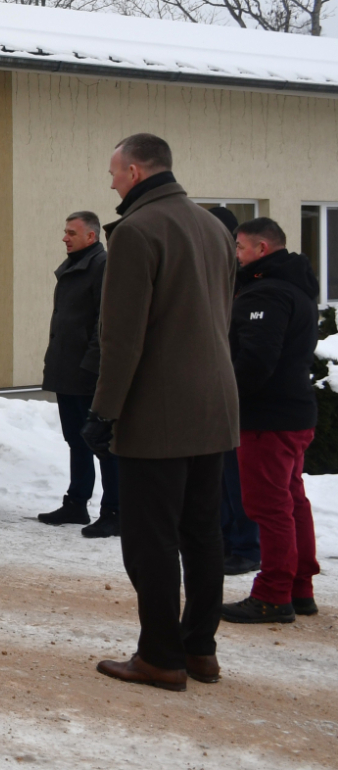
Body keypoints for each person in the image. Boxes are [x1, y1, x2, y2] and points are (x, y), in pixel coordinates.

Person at [89, 133, 237, 692]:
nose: (110, 183)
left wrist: (104, 410)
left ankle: (159, 655)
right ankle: (200, 649)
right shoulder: (214, 227)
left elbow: (121, 337)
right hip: (214, 402)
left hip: (157, 409)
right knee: (202, 533)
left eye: (113, 172)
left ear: (133, 170)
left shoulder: (136, 231)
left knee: (151, 538)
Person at [221, 217, 323, 624]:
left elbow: (256, 360)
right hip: (293, 413)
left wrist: (226, 395)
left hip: (267, 418)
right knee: (291, 501)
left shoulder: (266, 293)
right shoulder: (295, 288)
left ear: (262, 249)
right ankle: (299, 588)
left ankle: (273, 593)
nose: (235, 256)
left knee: (270, 506)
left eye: (240, 248)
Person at [37, 212, 119, 538]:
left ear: (92, 237)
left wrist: (91, 366)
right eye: (65, 231)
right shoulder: (74, 266)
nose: (65, 237)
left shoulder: (101, 266)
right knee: (76, 440)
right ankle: (76, 502)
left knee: (101, 442)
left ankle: (114, 510)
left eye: (72, 232)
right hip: (66, 369)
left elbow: (104, 321)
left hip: (86, 372)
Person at [208, 205, 261, 575]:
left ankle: (246, 545)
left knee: (238, 475)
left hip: (238, 390)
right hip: (215, 384)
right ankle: (227, 539)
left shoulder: (249, 283)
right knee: (221, 472)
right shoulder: (219, 273)